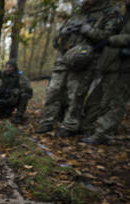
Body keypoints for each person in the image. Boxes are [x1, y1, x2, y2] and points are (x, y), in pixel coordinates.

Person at [36, 0, 121, 136]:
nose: (84, 2)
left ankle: (69, 125)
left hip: (86, 59)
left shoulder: (110, 12)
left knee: (76, 93)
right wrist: (63, 33)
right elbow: (57, 41)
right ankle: (47, 121)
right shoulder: (78, 13)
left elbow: (108, 38)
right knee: (54, 90)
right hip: (64, 57)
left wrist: (87, 30)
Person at [81, 0, 130, 144]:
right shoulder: (123, 14)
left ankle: (103, 134)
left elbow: (123, 38)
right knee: (95, 100)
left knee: (115, 102)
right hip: (111, 65)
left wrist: (110, 40)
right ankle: (88, 128)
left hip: (125, 68)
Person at [0, 59, 33, 124]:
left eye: (10, 67)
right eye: (6, 67)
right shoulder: (5, 74)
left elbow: (28, 89)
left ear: (14, 68)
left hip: (15, 100)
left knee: (24, 95)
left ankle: (19, 116)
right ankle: (6, 112)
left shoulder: (20, 76)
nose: (7, 69)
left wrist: (17, 92)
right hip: (5, 100)